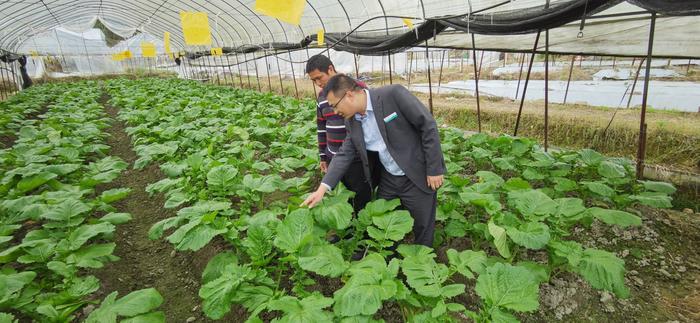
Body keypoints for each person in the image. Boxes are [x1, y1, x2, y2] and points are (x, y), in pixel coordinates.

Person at [301, 74, 445, 247]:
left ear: (349, 95)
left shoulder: (393, 95)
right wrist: (322, 189)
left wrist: (434, 169)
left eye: (334, 105)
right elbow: (345, 153)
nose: (334, 112)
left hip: (416, 175)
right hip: (389, 177)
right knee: (382, 220)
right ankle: (387, 259)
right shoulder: (352, 120)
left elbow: (427, 125)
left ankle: (424, 265)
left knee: (422, 225)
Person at [306, 55, 374, 215]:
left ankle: (362, 231)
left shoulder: (355, 88)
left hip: (356, 158)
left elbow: (369, 120)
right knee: (341, 197)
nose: (318, 83)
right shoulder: (322, 96)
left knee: (360, 196)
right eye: (313, 80)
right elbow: (321, 126)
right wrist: (323, 156)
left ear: (330, 69)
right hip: (334, 158)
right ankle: (347, 230)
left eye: (319, 77)